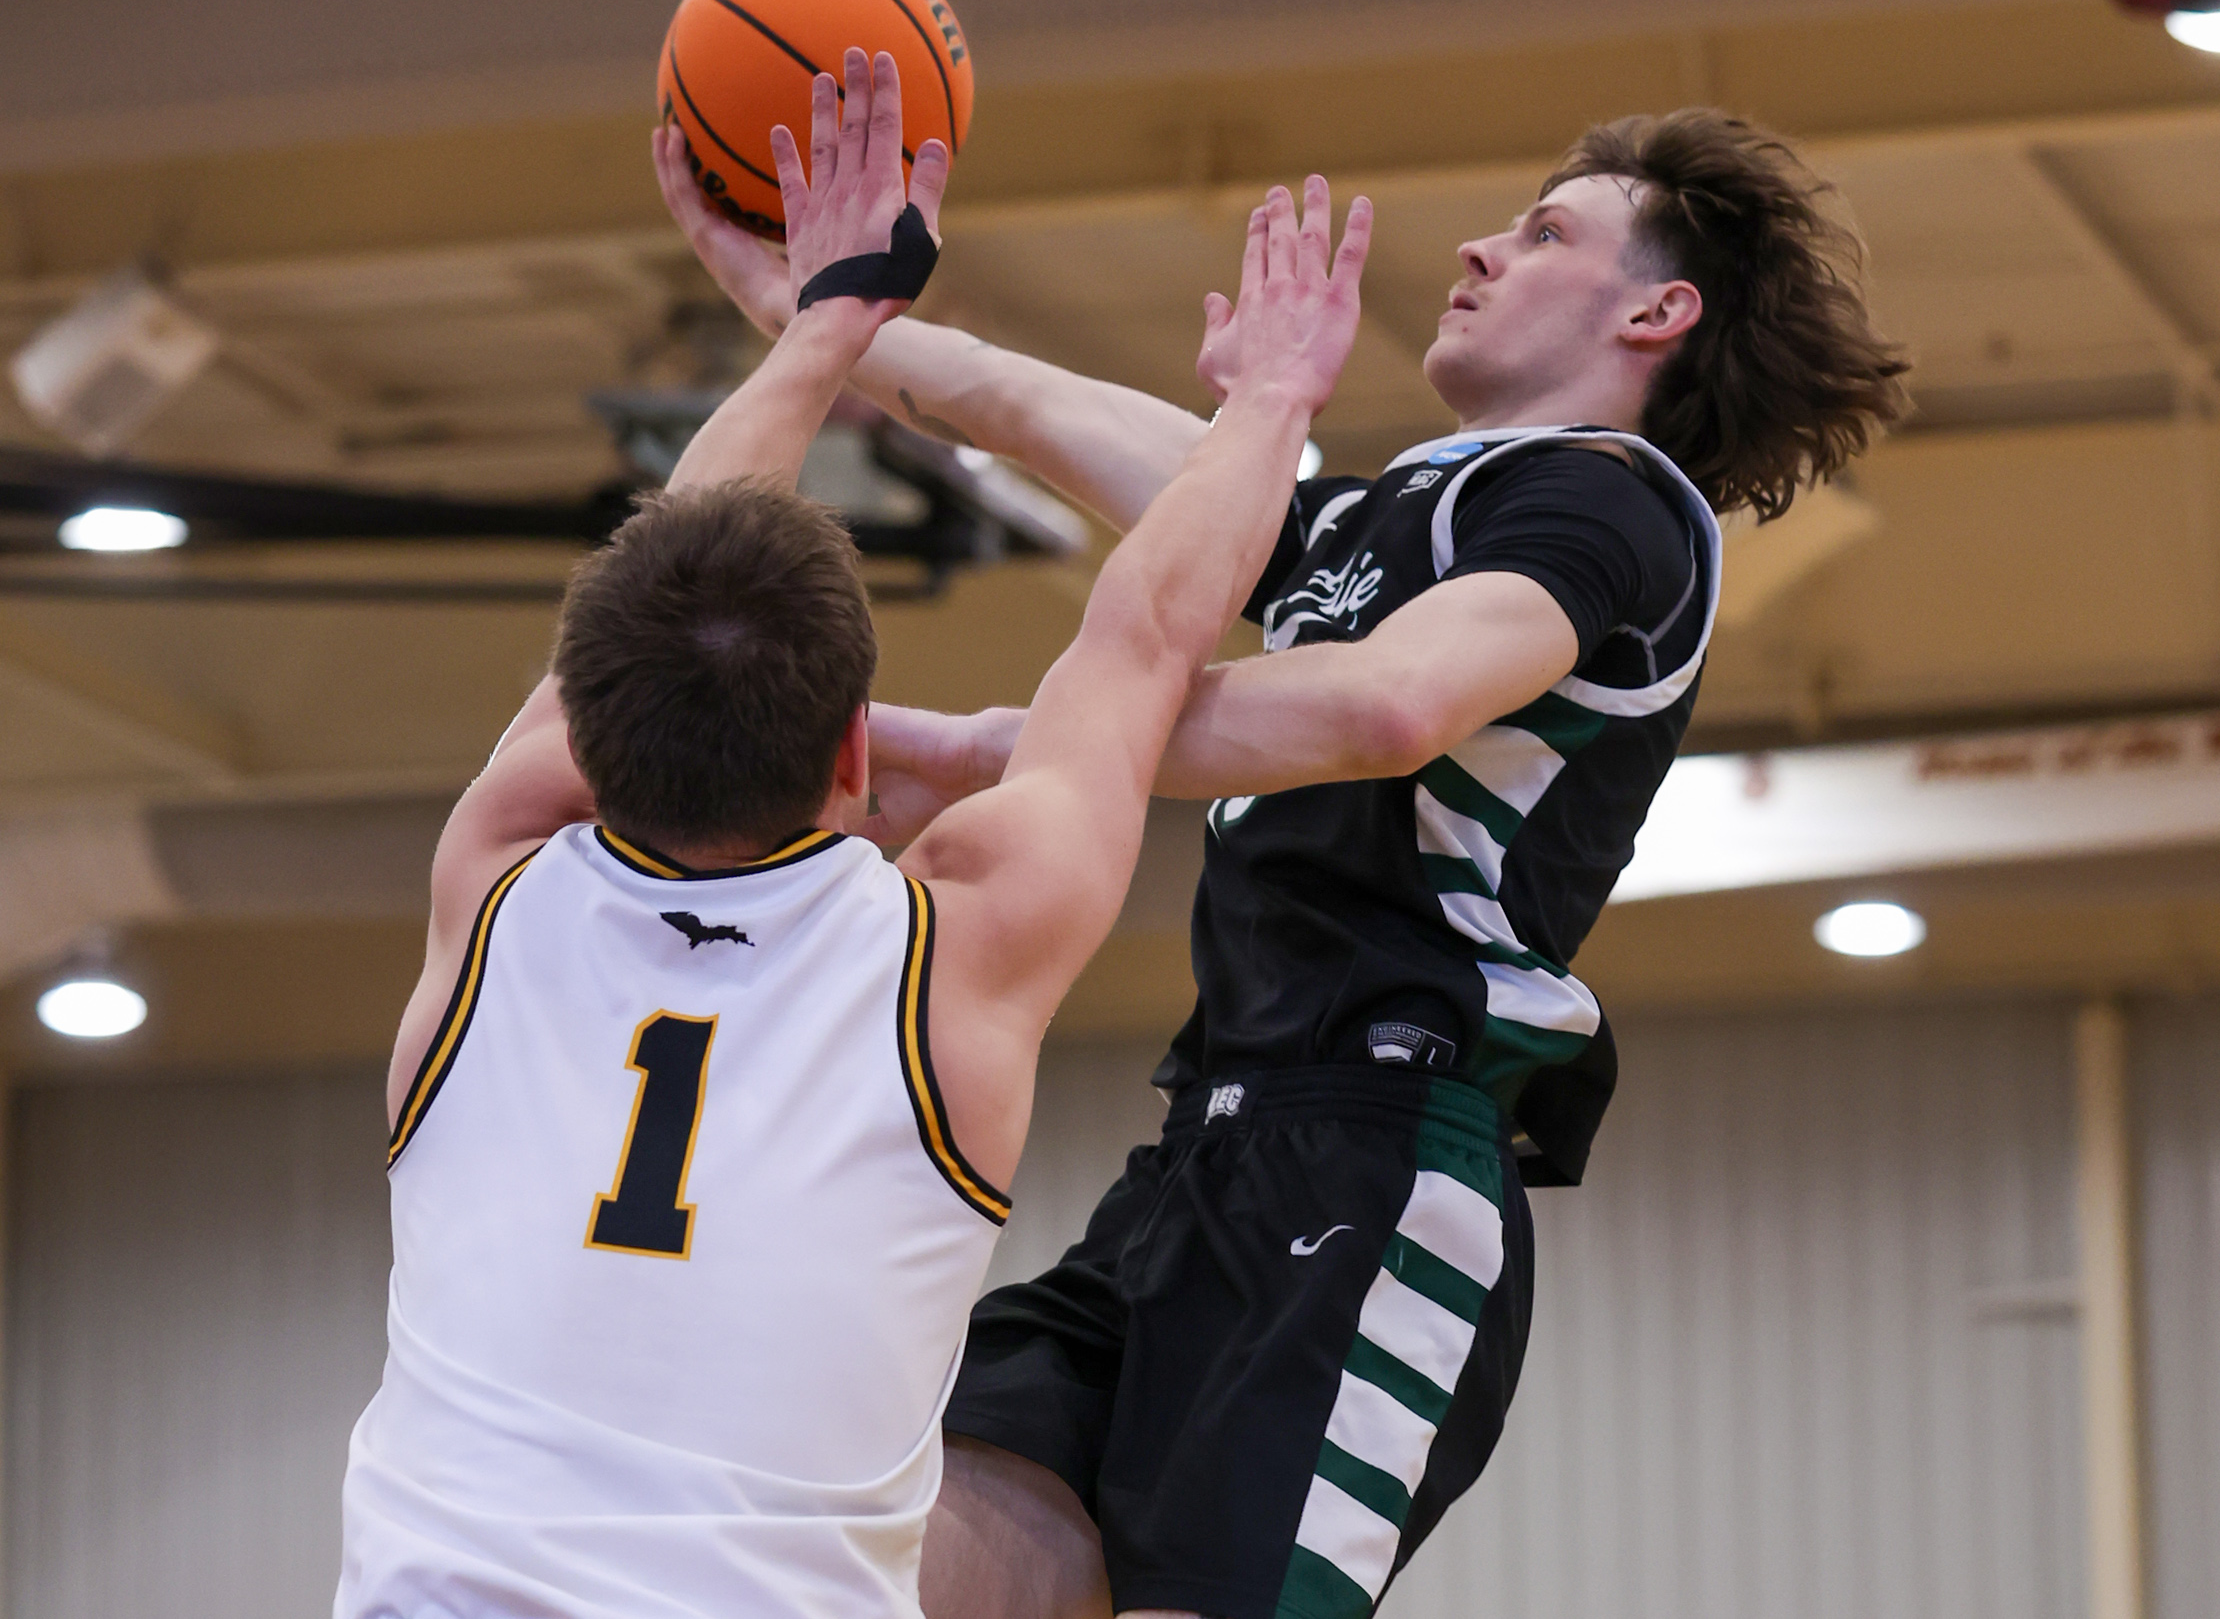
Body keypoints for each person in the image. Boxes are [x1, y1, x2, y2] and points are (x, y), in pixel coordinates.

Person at [667, 109, 1910, 1619]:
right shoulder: (1374, 519)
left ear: (1657, 313)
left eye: (1546, 232)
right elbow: (1013, 404)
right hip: (1206, 1153)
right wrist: (815, 307)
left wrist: (1009, 744)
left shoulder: (1612, 500)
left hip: (1379, 1161)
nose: (1482, 246)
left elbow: (1385, 703)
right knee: (901, 1559)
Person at [332, 46, 1373, 1619]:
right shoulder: (950, 941)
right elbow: (1144, 639)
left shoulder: (496, 881)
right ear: (853, 748)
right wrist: (1272, 402)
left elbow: (639, 603)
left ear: (588, 733)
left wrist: (822, 324)